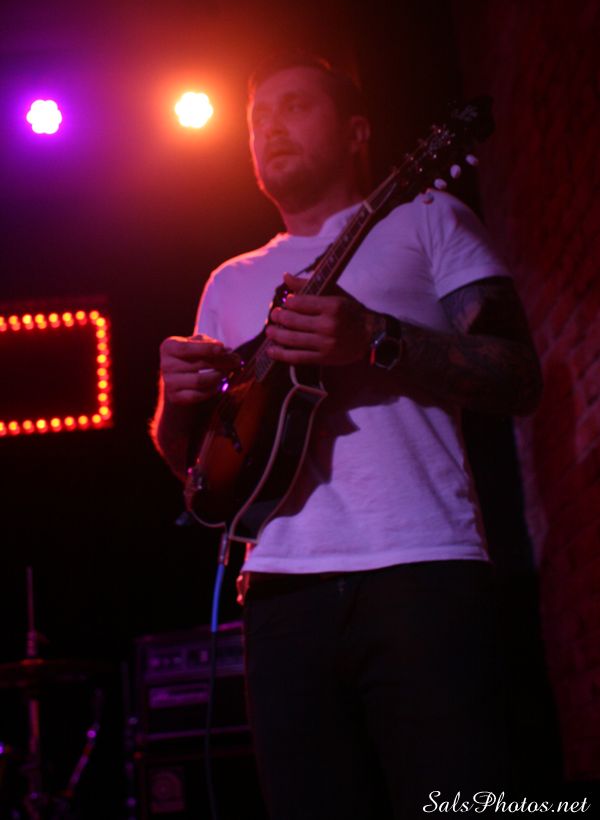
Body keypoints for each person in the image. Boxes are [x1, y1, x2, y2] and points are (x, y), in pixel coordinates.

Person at [151, 52, 542, 819]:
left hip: (423, 571)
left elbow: (518, 375)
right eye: (258, 117)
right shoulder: (228, 280)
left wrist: (377, 339)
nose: (271, 126)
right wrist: (171, 405)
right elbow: (197, 478)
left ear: (358, 132)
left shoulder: (427, 219)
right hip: (279, 598)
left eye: (295, 106)